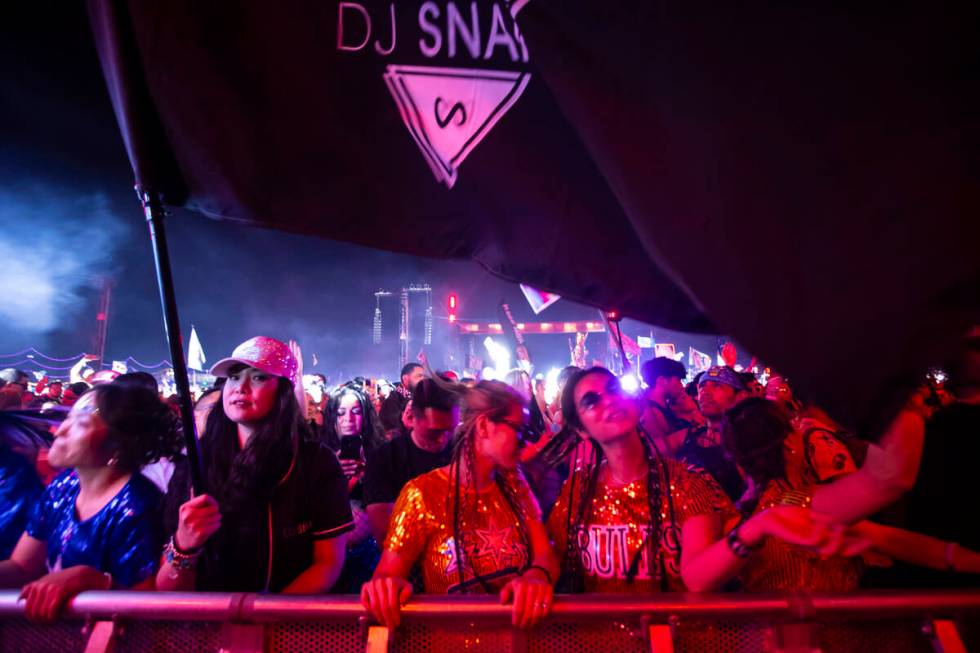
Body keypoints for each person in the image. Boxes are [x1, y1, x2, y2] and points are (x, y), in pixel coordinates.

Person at [544, 367, 858, 594]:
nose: (608, 401)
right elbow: (552, 556)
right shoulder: (577, 491)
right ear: (581, 430)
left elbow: (698, 577)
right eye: (591, 401)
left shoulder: (686, 482)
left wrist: (760, 525)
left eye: (613, 389)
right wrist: (535, 574)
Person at [157, 336, 353, 593]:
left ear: (284, 391)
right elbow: (165, 588)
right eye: (235, 376)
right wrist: (184, 545)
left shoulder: (316, 463)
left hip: (284, 625)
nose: (241, 387)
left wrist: (267, 619)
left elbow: (327, 563)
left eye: (258, 377)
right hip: (206, 625)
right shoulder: (197, 464)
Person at [361, 381, 558, 629]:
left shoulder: (515, 484)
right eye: (518, 430)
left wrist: (536, 575)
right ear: (485, 425)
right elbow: (387, 574)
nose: (524, 442)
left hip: (515, 642)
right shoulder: (422, 494)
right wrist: (386, 588)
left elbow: (545, 554)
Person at [0, 383, 181, 621]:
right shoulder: (63, 486)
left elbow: (146, 605)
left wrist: (95, 580)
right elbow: (22, 567)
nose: (60, 431)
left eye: (81, 423)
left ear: (117, 445)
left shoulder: (138, 507)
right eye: (68, 418)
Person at [363, 377, 458, 544]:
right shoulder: (385, 459)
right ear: (412, 417)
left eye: (450, 430)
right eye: (434, 432)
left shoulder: (462, 452)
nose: (443, 439)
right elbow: (386, 535)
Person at [322, 382, 386, 592]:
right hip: (327, 556)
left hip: (370, 554)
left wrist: (369, 475)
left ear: (365, 417)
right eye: (341, 413)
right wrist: (331, 471)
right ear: (332, 419)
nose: (348, 419)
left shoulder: (380, 453)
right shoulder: (319, 455)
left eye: (356, 412)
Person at [674, 366, 747, 502]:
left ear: (740, 397)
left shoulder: (748, 444)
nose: (705, 392)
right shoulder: (687, 436)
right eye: (702, 386)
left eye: (717, 386)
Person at [639, 357, 690, 441]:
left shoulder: (663, 406)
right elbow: (658, 451)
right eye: (678, 380)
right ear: (662, 380)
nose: (681, 386)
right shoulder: (653, 414)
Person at [378, 363, 425, 433]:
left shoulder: (420, 398)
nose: (423, 379)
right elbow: (392, 432)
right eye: (419, 376)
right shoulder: (392, 401)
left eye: (424, 376)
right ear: (405, 378)